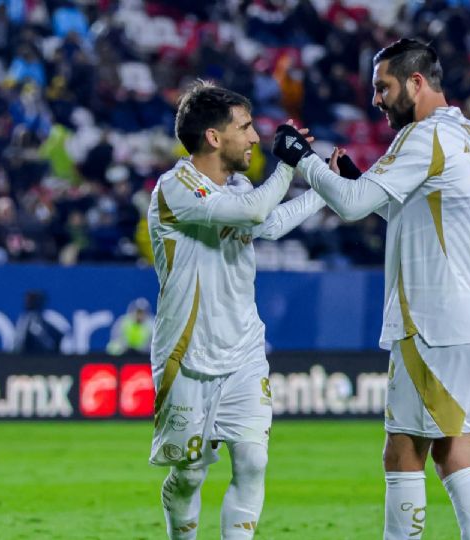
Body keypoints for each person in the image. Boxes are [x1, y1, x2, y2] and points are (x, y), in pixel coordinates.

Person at [272, 39, 470, 540]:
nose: (376, 100)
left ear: (417, 82)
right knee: (456, 454)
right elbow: (404, 207)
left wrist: (304, 158)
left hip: (437, 322)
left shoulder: (424, 136)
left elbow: (353, 205)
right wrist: (357, 180)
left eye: (383, 87)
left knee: (402, 451)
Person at [148, 81, 327, 539]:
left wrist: (326, 188)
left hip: (244, 350)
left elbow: (267, 221)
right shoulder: (176, 187)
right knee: (189, 474)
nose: (253, 138)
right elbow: (249, 213)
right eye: (244, 127)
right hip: (187, 354)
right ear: (213, 137)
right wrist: (288, 166)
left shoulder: (242, 187)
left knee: (252, 461)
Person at [12, 290, 63, 354]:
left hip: (47, 357)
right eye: (27, 299)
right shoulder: (24, 319)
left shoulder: (50, 318)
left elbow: (57, 339)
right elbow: (18, 342)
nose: (27, 302)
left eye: (31, 299)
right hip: (26, 358)